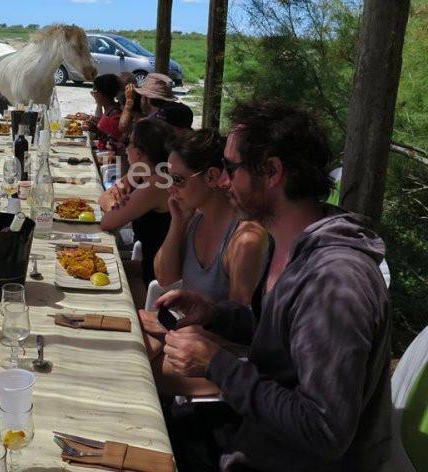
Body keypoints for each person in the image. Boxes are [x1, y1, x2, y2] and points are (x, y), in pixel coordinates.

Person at [158, 101, 391, 472]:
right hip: (255, 438)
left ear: (271, 172)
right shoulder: (290, 242)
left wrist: (218, 365)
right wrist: (216, 315)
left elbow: (325, 430)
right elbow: (286, 335)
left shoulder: (334, 282)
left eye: (231, 169)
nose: (221, 181)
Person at [154, 129, 268, 305]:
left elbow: (238, 321)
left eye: (177, 180)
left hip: (199, 332)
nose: (170, 189)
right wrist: (177, 223)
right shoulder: (193, 220)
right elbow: (165, 278)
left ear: (211, 177)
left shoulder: (244, 239)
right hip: (184, 328)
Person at [99, 118, 173, 301]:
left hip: (158, 280)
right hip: (146, 264)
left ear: (139, 152)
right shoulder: (141, 171)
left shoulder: (158, 183)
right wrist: (113, 206)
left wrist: (115, 210)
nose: (125, 148)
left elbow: (108, 223)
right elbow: (106, 196)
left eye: (127, 143)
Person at [90, 74, 124, 151]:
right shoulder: (109, 110)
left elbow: (113, 144)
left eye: (94, 91)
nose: (93, 95)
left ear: (102, 93)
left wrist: (97, 131)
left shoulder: (115, 115)